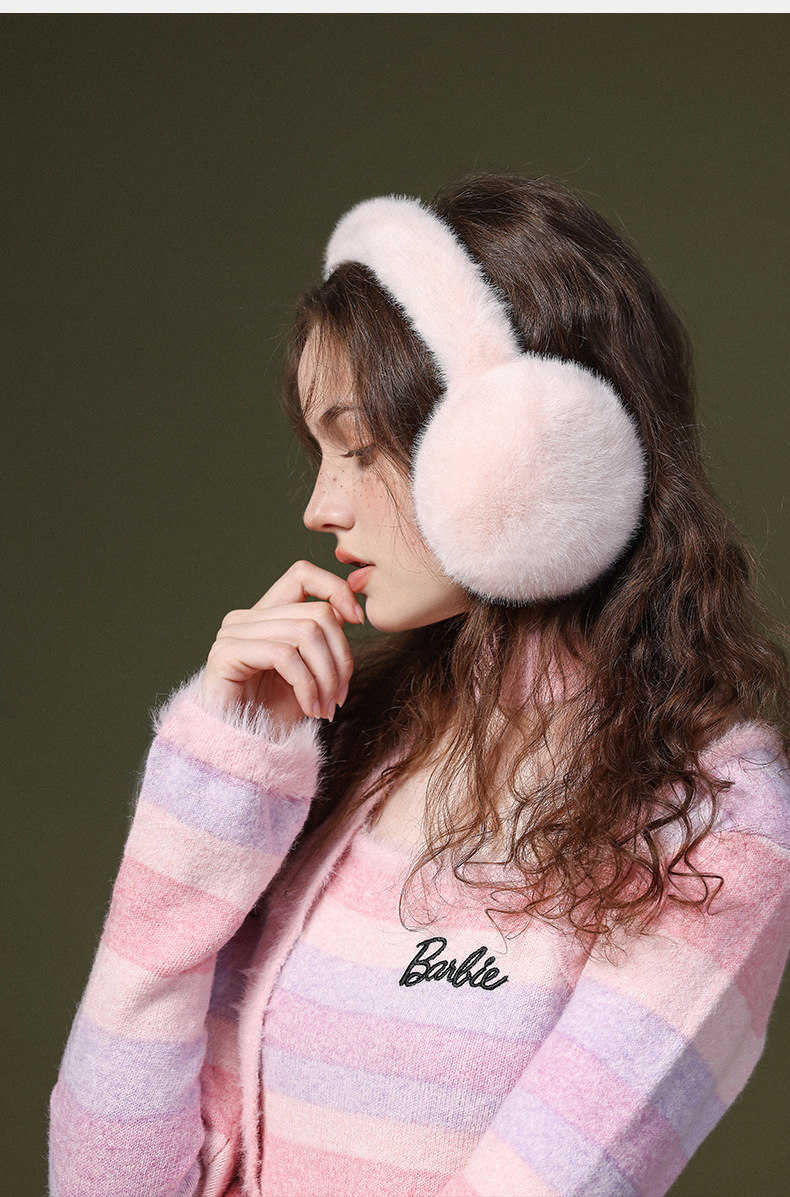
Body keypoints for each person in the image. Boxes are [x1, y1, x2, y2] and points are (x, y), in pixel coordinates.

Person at [49, 175, 790, 1197]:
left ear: (524, 451)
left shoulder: (707, 825)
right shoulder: (349, 747)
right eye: (320, 453)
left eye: (359, 449)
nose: (320, 506)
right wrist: (213, 783)